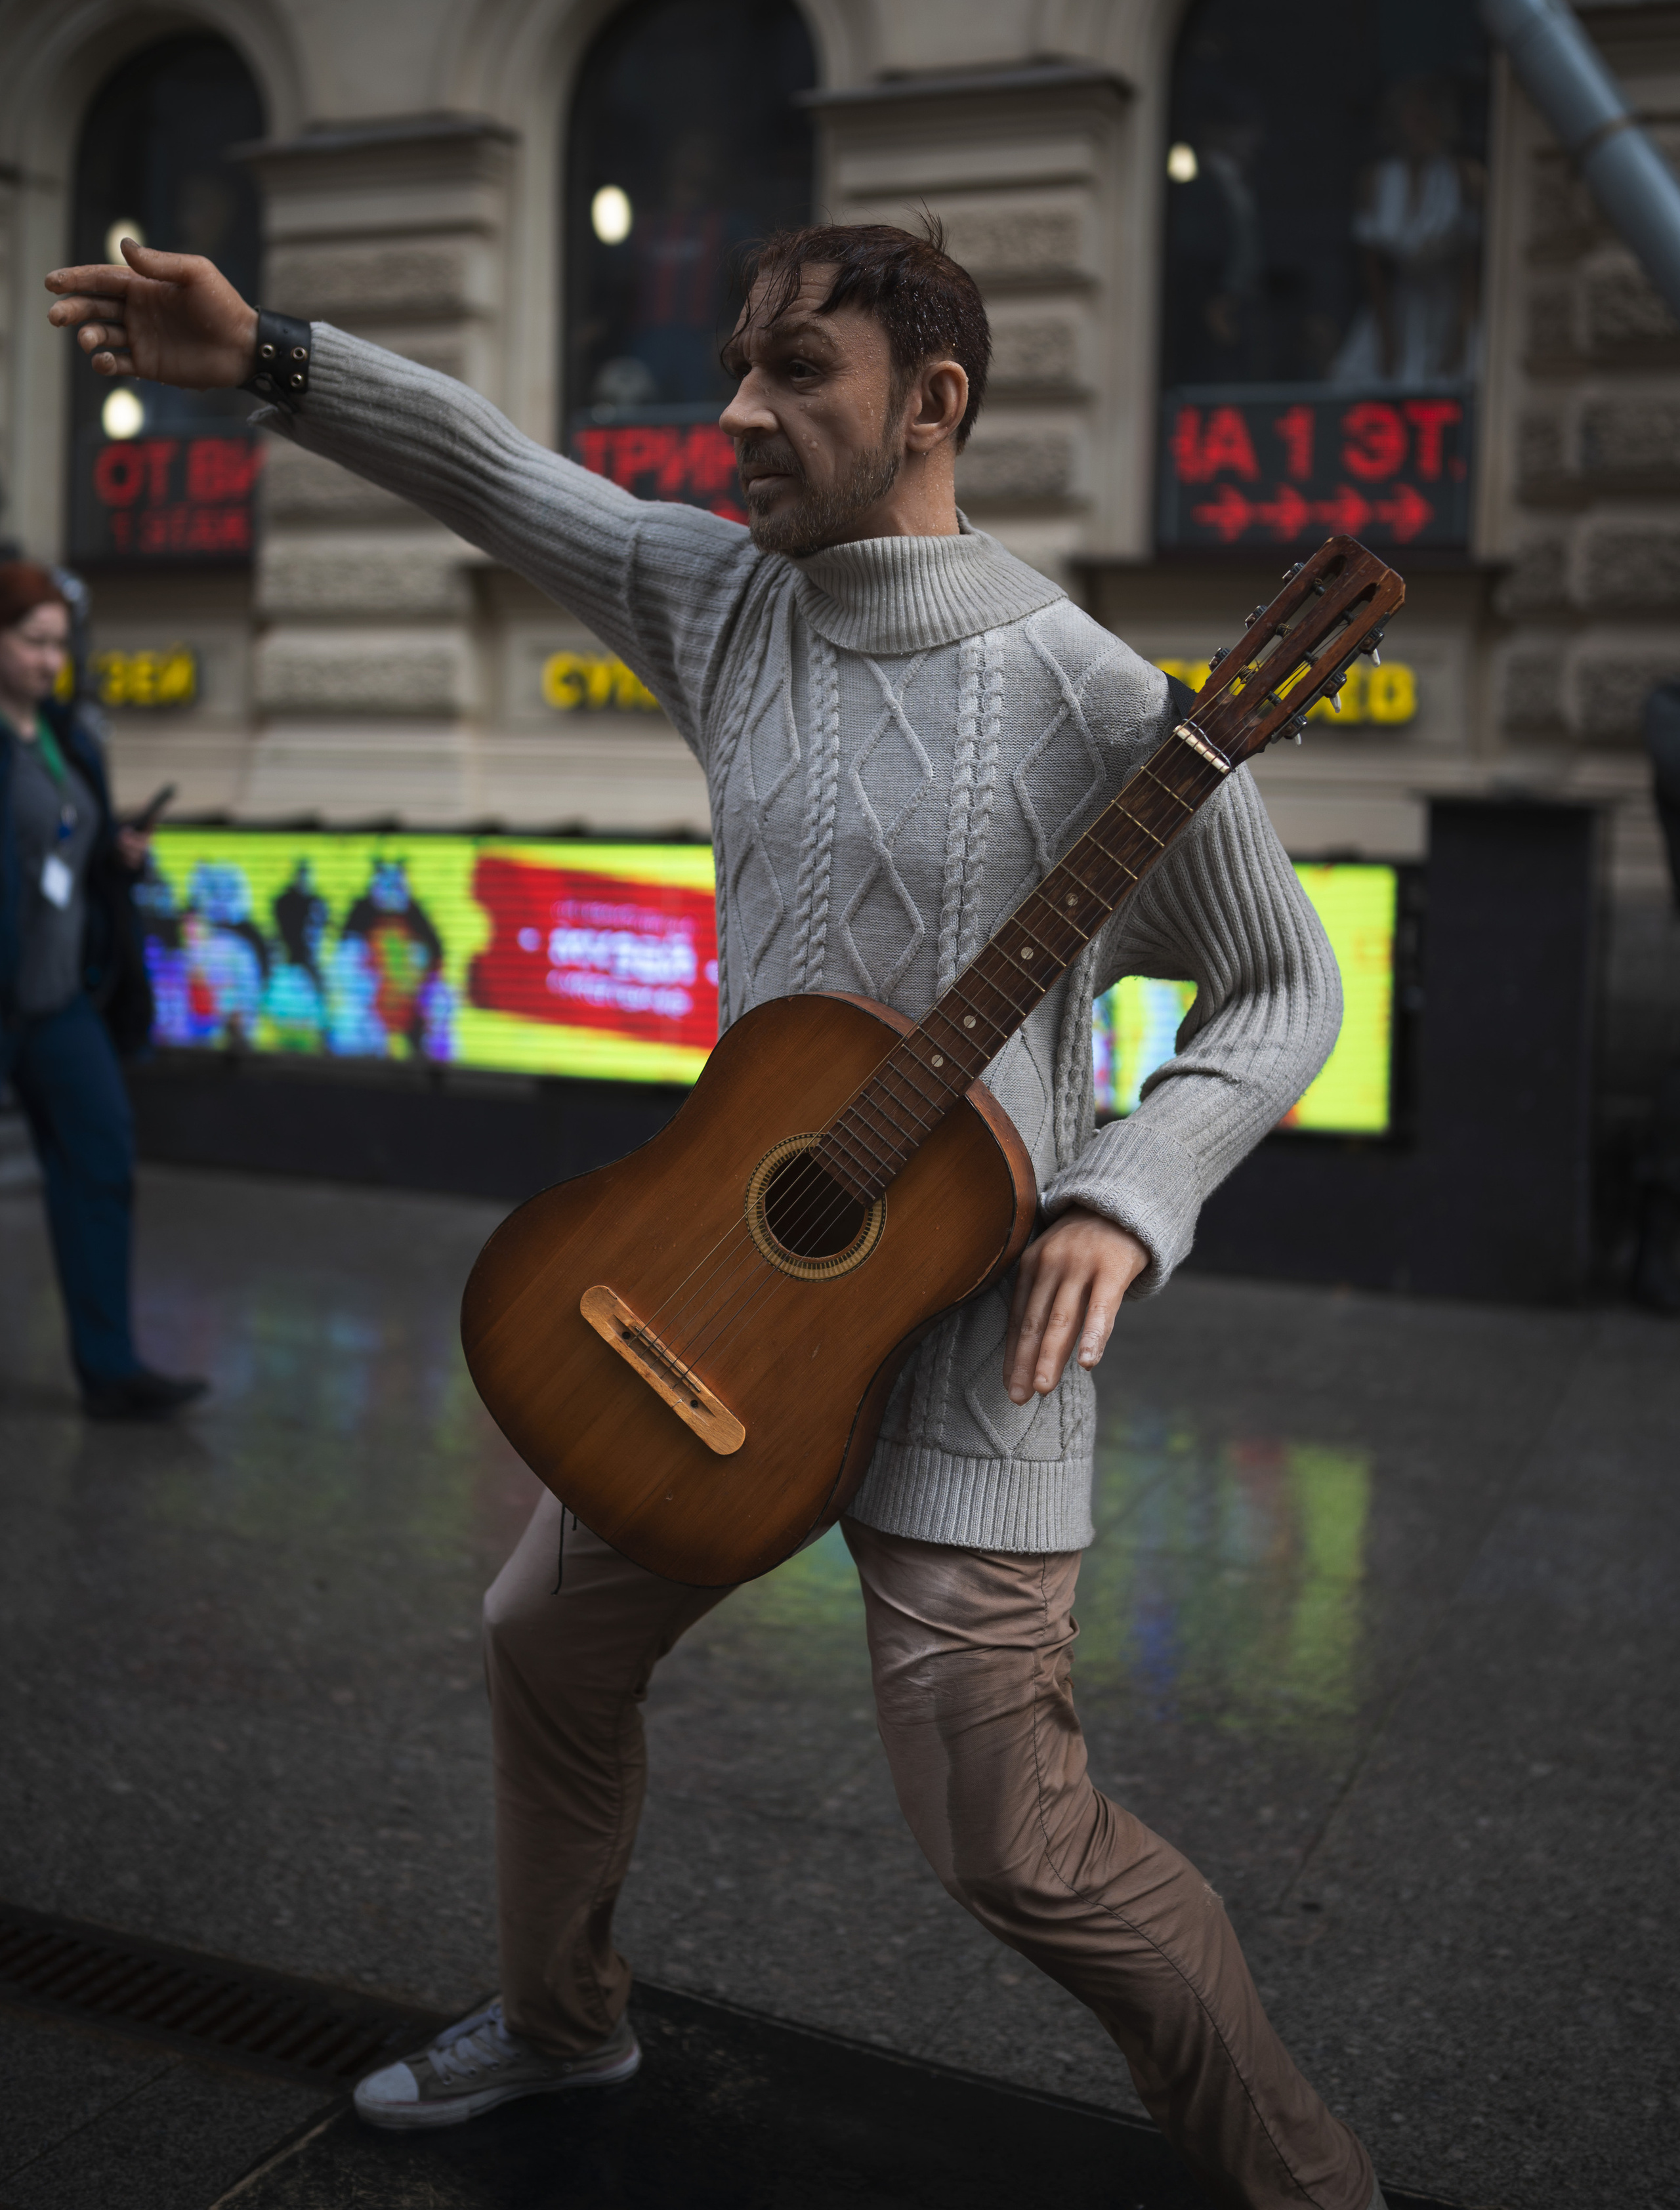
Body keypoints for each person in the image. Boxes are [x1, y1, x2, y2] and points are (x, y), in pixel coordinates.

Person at [47, 224, 1383, 2210]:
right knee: (544, 1639)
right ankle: (567, 2021)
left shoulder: (1097, 694)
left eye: (798, 375)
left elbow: (1285, 985)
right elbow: (502, 474)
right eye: (739, 364)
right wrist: (266, 360)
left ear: (932, 404)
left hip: (971, 1363)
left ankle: (1304, 2180)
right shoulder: (728, 597)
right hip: (718, 1312)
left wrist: (1129, 1190)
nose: (739, 413)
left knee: (1015, 1846)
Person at [0, 560, 207, 1417]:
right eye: (31, 641)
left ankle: (109, 1366)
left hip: (56, 999)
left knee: (102, 1156)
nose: (50, 660)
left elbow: (71, 845)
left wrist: (115, 852)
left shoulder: (64, 735)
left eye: (58, 643)